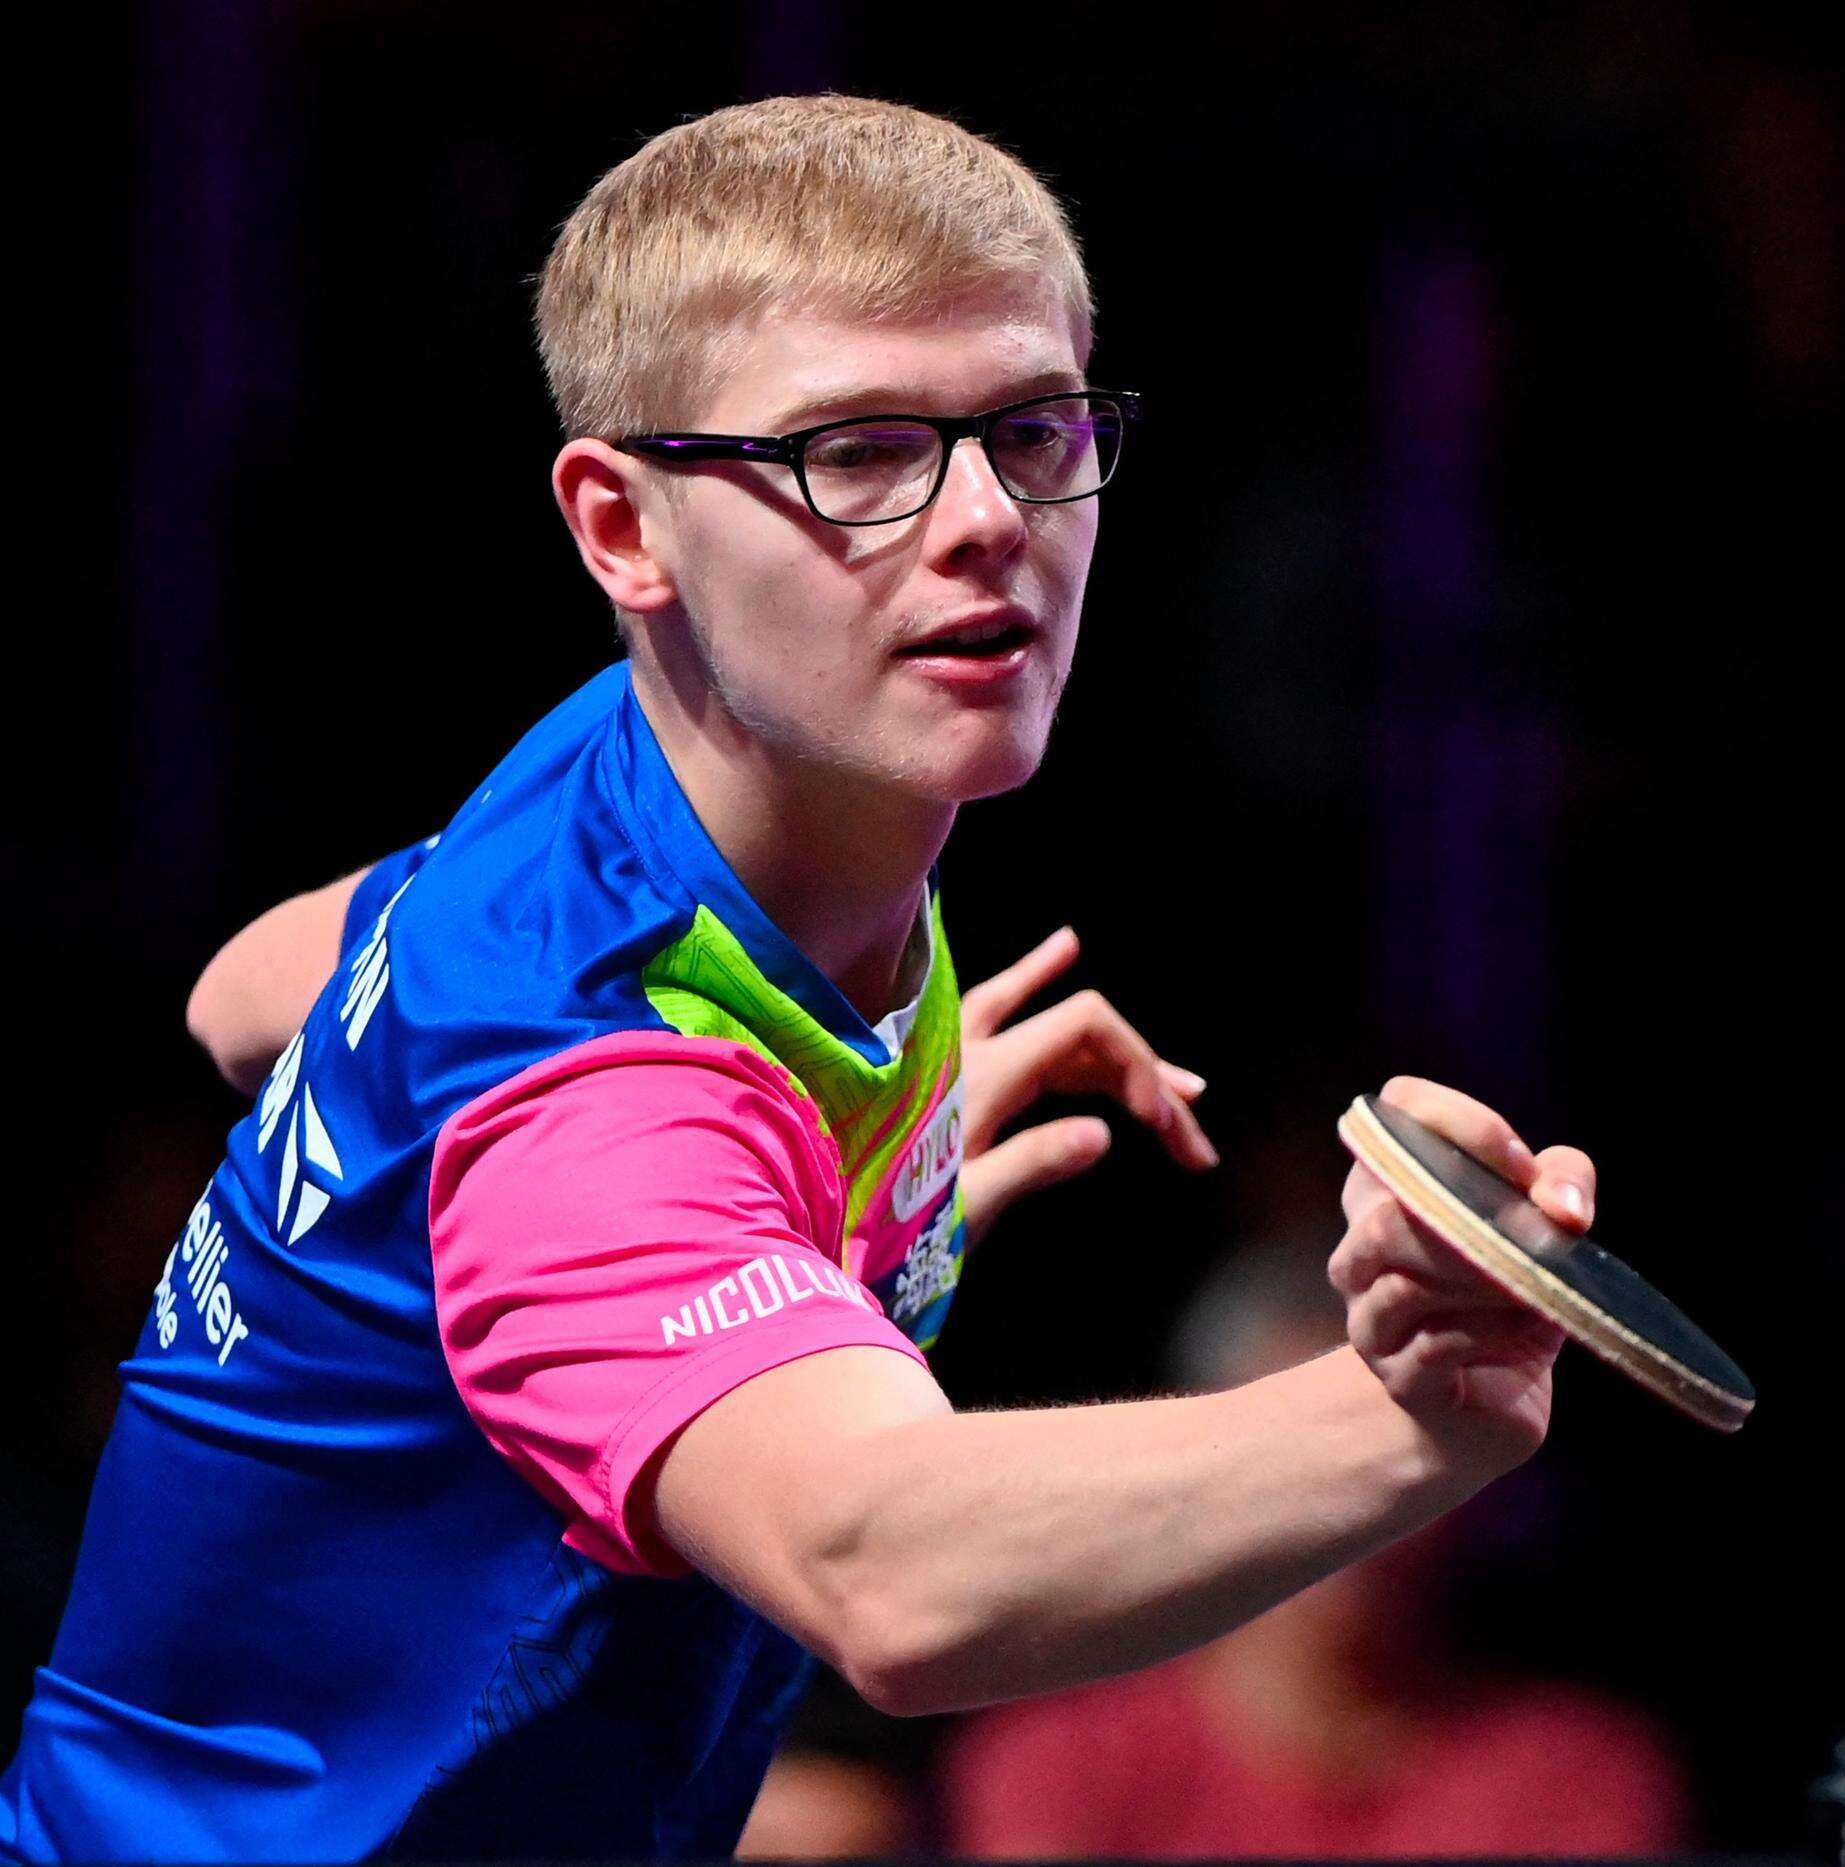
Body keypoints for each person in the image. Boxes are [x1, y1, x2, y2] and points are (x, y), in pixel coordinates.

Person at [0, 96, 1593, 1861]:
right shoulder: (589, 1080)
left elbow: (243, 994)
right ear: (624, 527)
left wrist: (795, 1183)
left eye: (1032, 427)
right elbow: (890, 1574)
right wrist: (1418, 1410)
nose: (988, 517)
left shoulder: (627, 778)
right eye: (857, 453)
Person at [932, 1240, 1691, 1857]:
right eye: (1301, 1458)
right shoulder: (1065, 1761)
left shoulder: (1577, 1773)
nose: (1351, 1505)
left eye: (1399, 1451)